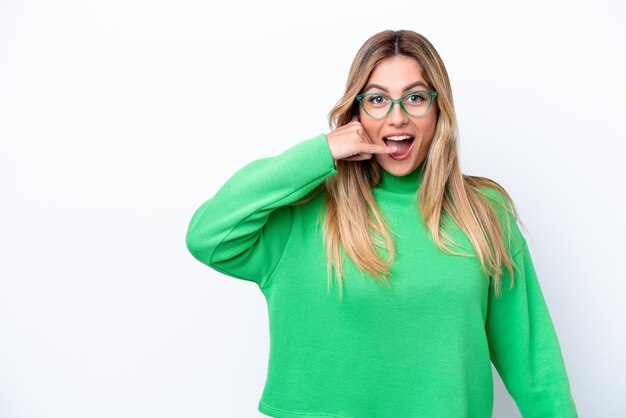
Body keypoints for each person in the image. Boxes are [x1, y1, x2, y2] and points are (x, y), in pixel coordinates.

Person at [185, 29, 578, 418]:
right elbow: (208, 235)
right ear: (356, 112)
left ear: (439, 109)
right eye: (377, 100)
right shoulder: (303, 213)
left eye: (415, 97)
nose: (397, 117)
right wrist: (322, 151)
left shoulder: (483, 212)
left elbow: (531, 360)